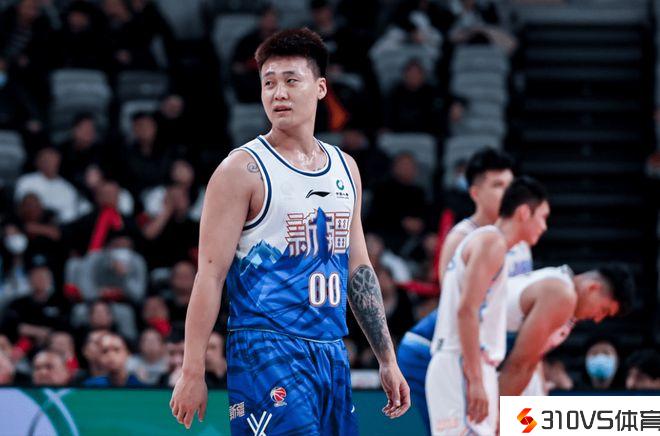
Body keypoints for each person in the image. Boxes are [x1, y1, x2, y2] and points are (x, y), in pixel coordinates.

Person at [169, 28, 410, 433]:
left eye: (290, 81)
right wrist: (192, 369)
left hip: (331, 350)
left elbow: (359, 268)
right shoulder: (241, 170)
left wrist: (387, 358)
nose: (278, 93)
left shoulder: (346, 168)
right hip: (266, 350)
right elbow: (209, 275)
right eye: (269, 83)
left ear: (320, 88)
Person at [397, 147, 516, 433]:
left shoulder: (518, 241)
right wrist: (476, 375)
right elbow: (455, 309)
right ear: (475, 192)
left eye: (510, 186)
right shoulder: (461, 238)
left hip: (477, 351)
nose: (506, 194)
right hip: (432, 348)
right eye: (497, 185)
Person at [426, 177, 549, 435]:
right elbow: (466, 310)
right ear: (524, 212)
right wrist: (475, 379)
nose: (544, 226)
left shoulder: (493, 243)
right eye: (542, 217)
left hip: (469, 363)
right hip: (460, 362)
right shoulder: (492, 242)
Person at [499, 264, 635, 395]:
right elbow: (519, 365)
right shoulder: (562, 295)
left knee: (533, 392)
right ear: (593, 288)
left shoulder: (561, 282)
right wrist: (501, 409)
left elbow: (530, 358)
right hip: (490, 358)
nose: (598, 319)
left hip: (498, 359)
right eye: (604, 310)